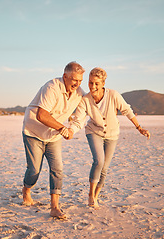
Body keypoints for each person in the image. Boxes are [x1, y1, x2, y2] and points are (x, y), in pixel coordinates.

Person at [69, 67, 150, 208]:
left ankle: (96, 195)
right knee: (98, 161)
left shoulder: (113, 95)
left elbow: (127, 110)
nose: (92, 86)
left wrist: (139, 127)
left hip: (112, 134)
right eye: (90, 82)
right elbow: (79, 119)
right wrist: (71, 131)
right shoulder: (85, 100)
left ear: (103, 83)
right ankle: (90, 195)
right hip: (93, 131)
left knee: (105, 168)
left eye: (96, 83)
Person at [21, 61, 85, 219]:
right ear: (65, 76)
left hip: (53, 136)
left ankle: (54, 207)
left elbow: (82, 115)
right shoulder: (52, 87)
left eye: (80, 81)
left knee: (57, 169)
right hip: (33, 132)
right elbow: (41, 115)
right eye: (74, 80)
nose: (77, 84)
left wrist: (73, 129)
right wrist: (63, 129)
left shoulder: (79, 93)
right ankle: (26, 190)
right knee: (34, 170)